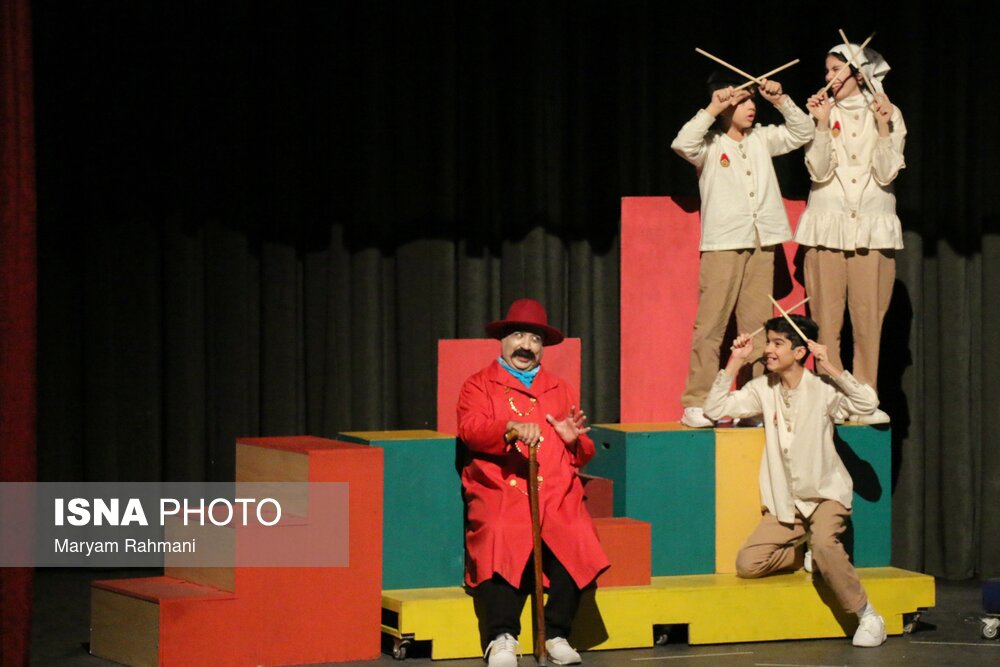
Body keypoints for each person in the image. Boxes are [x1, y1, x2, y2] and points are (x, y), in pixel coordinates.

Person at [703, 314, 888, 647]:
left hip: (825, 495)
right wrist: (736, 360)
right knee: (748, 563)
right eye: (768, 342)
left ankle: (868, 615)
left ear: (800, 352)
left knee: (825, 544)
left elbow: (867, 403)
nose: (769, 350)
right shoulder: (763, 389)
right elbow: (715, 409)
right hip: (787, 504)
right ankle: (805, 549)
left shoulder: (822, 389)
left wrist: (829, 366)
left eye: (778, 343)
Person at [457, 298, 609, 666]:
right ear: (503, 340)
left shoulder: (559, 387)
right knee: (500, 531)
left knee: (576, 534)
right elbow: (470, 429)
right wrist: (508, 427)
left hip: (555, 489)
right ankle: (502, 637)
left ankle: (556, 633)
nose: (526, 345)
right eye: (519, 336)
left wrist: (574, 440)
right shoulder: (478, 385)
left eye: (535, 339)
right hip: (500, 486)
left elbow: (583, 451)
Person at [672, 71, 814, 428]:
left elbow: (803, 132)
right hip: (723, 243)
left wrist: (780, 100)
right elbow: (682, 144)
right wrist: (711, 108)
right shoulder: (710, 145)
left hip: (762, 243)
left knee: (757, 328)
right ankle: (697, 402)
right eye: (743, 100)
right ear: (725, 104)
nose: (751, 106)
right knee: (712, 325)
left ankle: (753, 403)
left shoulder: (762, 138)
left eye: (753, 100)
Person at [795, 43, 905, 424]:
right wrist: (821, 124)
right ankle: (830, 396)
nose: (828, 77)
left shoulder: (889, 113)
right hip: (828, 227)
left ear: (858, 74)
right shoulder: (822, 113)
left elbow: (887, 173)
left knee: (867, 319)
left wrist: (883, 126)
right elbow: (818, 171)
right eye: (826, 70)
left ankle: (864, 397)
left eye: (835, 70)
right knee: (825, 320)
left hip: (872, 230)